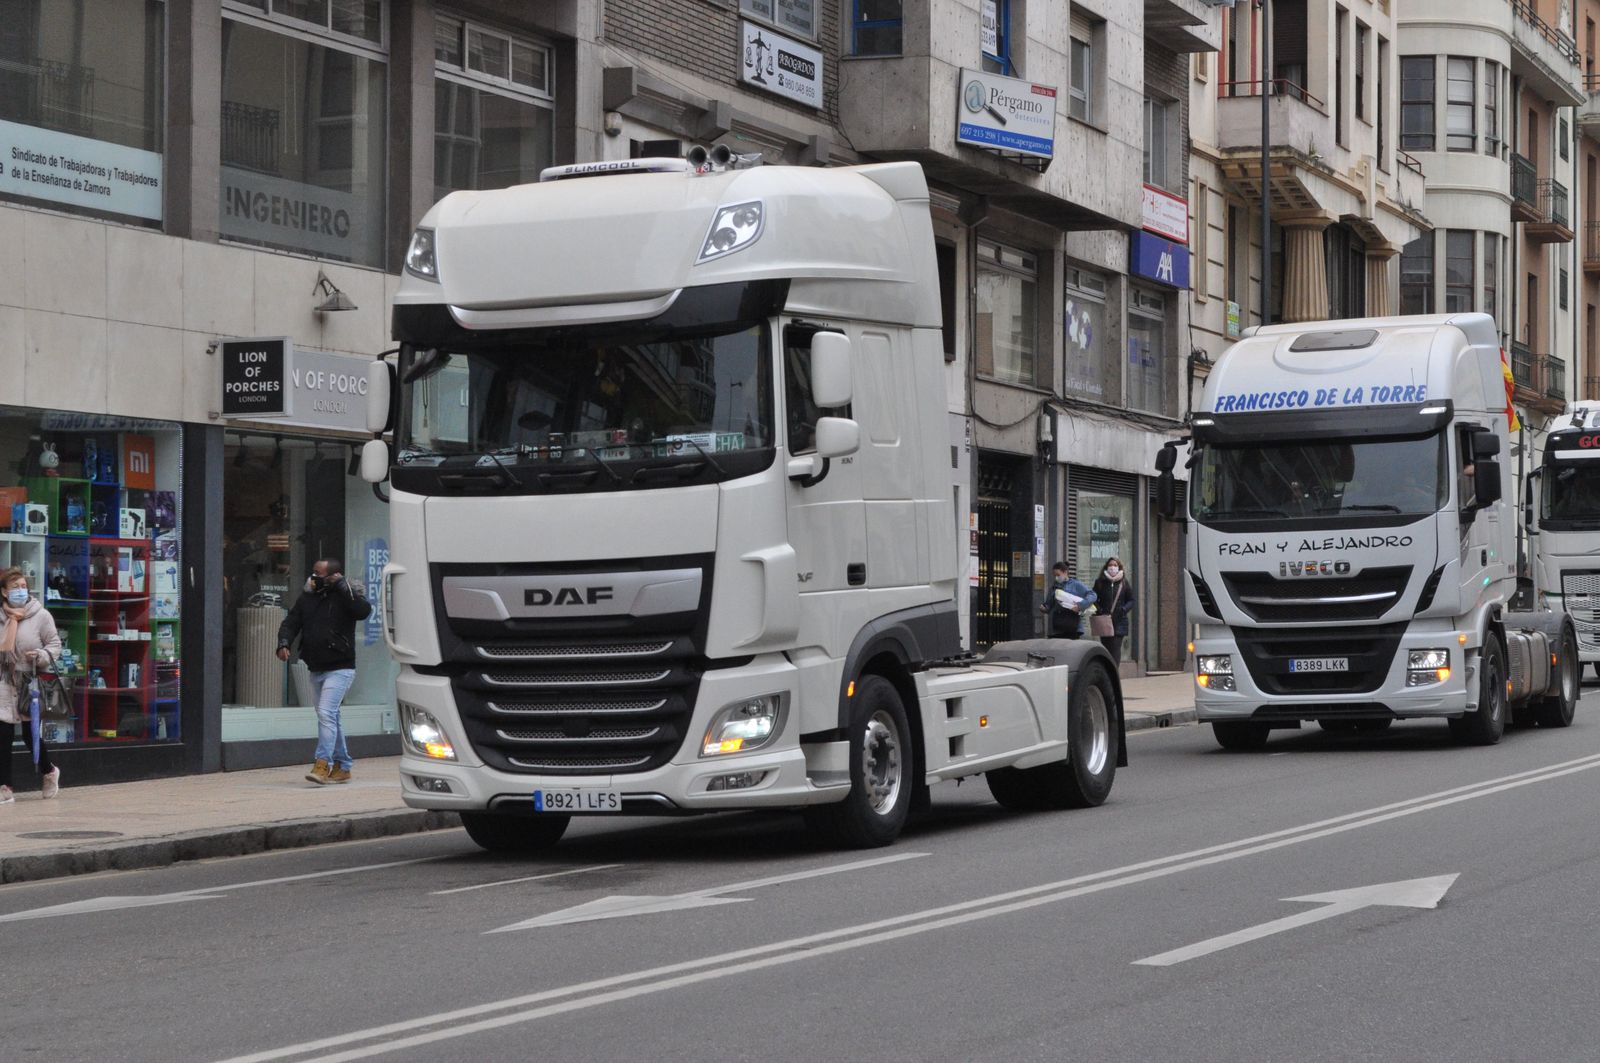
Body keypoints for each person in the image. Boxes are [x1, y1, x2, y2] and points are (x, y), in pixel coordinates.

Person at [278, 559, 372, 785]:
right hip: (316, 667)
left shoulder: (345, 597)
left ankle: (322, 764)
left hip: (341, 668)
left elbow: (362, 611)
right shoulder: (308, 598)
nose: (313, 577)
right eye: (313, 572)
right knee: (330, 716)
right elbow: (291, 622)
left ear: (333, 575)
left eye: (318, 573)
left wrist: (342, 587)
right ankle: (343, 766)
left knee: (326, 713)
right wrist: (283, 643)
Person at [0, 568, 62, 803]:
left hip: (29, 680)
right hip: (4, 681)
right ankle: (5, 787)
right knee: (2, 735)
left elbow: (55, 644)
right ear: (4, 592)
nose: (20, 591)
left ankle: (49, 771)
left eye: (23, 586)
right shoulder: (0, 616)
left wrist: (42, 654)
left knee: (29, 734)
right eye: (14, 587)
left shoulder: (40, 615)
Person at [1091, 557, 1136, 662]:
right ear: (1106, 567)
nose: (1112, 567)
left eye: (1115, 565)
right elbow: (1093, 598)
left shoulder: (1124, 583)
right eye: (1110, 565)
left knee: (1115, 648)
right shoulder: (1100, 582)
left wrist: (1124, 609)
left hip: (1119, 621)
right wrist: (1100, 610)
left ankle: (1115, 674)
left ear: (1119, 568)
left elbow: (1131, 600)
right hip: (1104, 620)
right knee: (1106, 648)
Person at [1041, 561, 1096, 640]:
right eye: (1054, 575)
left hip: (1072, 624)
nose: (1056, 577)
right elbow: (1049, 605)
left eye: (1058, 575)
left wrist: (1081, 605)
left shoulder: (1075, 584)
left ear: (1065, 572)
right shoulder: (1053, 587)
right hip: (1057, 626)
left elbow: (1092, 595)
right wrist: (1044, 608)